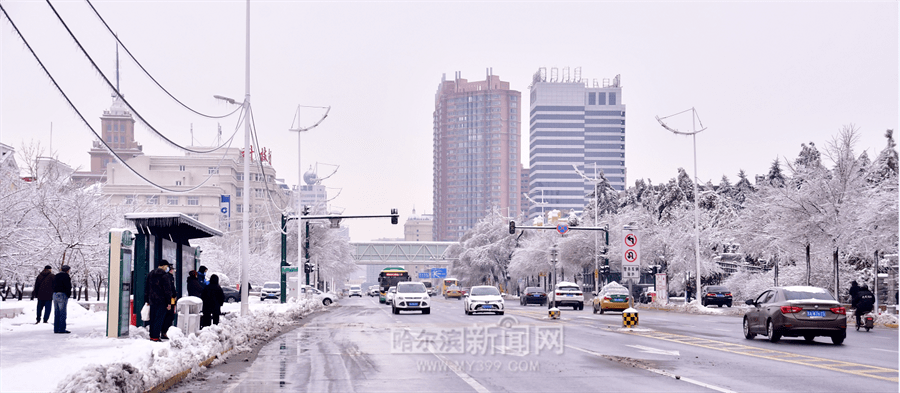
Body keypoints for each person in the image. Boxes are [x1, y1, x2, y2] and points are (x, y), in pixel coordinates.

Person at [146, 260, 175, 342]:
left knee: (153, 318)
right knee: (159, 319)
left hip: (152, 300)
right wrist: (168, 302)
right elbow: (167, 291)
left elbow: (147, 288)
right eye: (167, 266)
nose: (168, 268)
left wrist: (147, 300)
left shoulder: (151, 274)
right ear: (164, 266)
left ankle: (152, 336)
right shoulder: (164, 276)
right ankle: (156, 336)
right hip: (161, 301)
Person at [52, 265, 72, 334]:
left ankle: (56, 328)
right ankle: (62, 328)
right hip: (62, 294)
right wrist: (68, 295)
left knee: (56, 312)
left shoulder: (56, 276)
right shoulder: (66, 276)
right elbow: (68, 287)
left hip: (55, 294)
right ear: (67, 270)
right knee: (62, 312)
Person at [161, 266, 178, 339]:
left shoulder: (167, 277)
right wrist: (174, 295)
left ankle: (164, 331)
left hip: (169, 299)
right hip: (170, 300)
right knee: (169, 316)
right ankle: (165, 332)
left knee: (167, 316)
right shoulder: (169, 277)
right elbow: (171, 288)